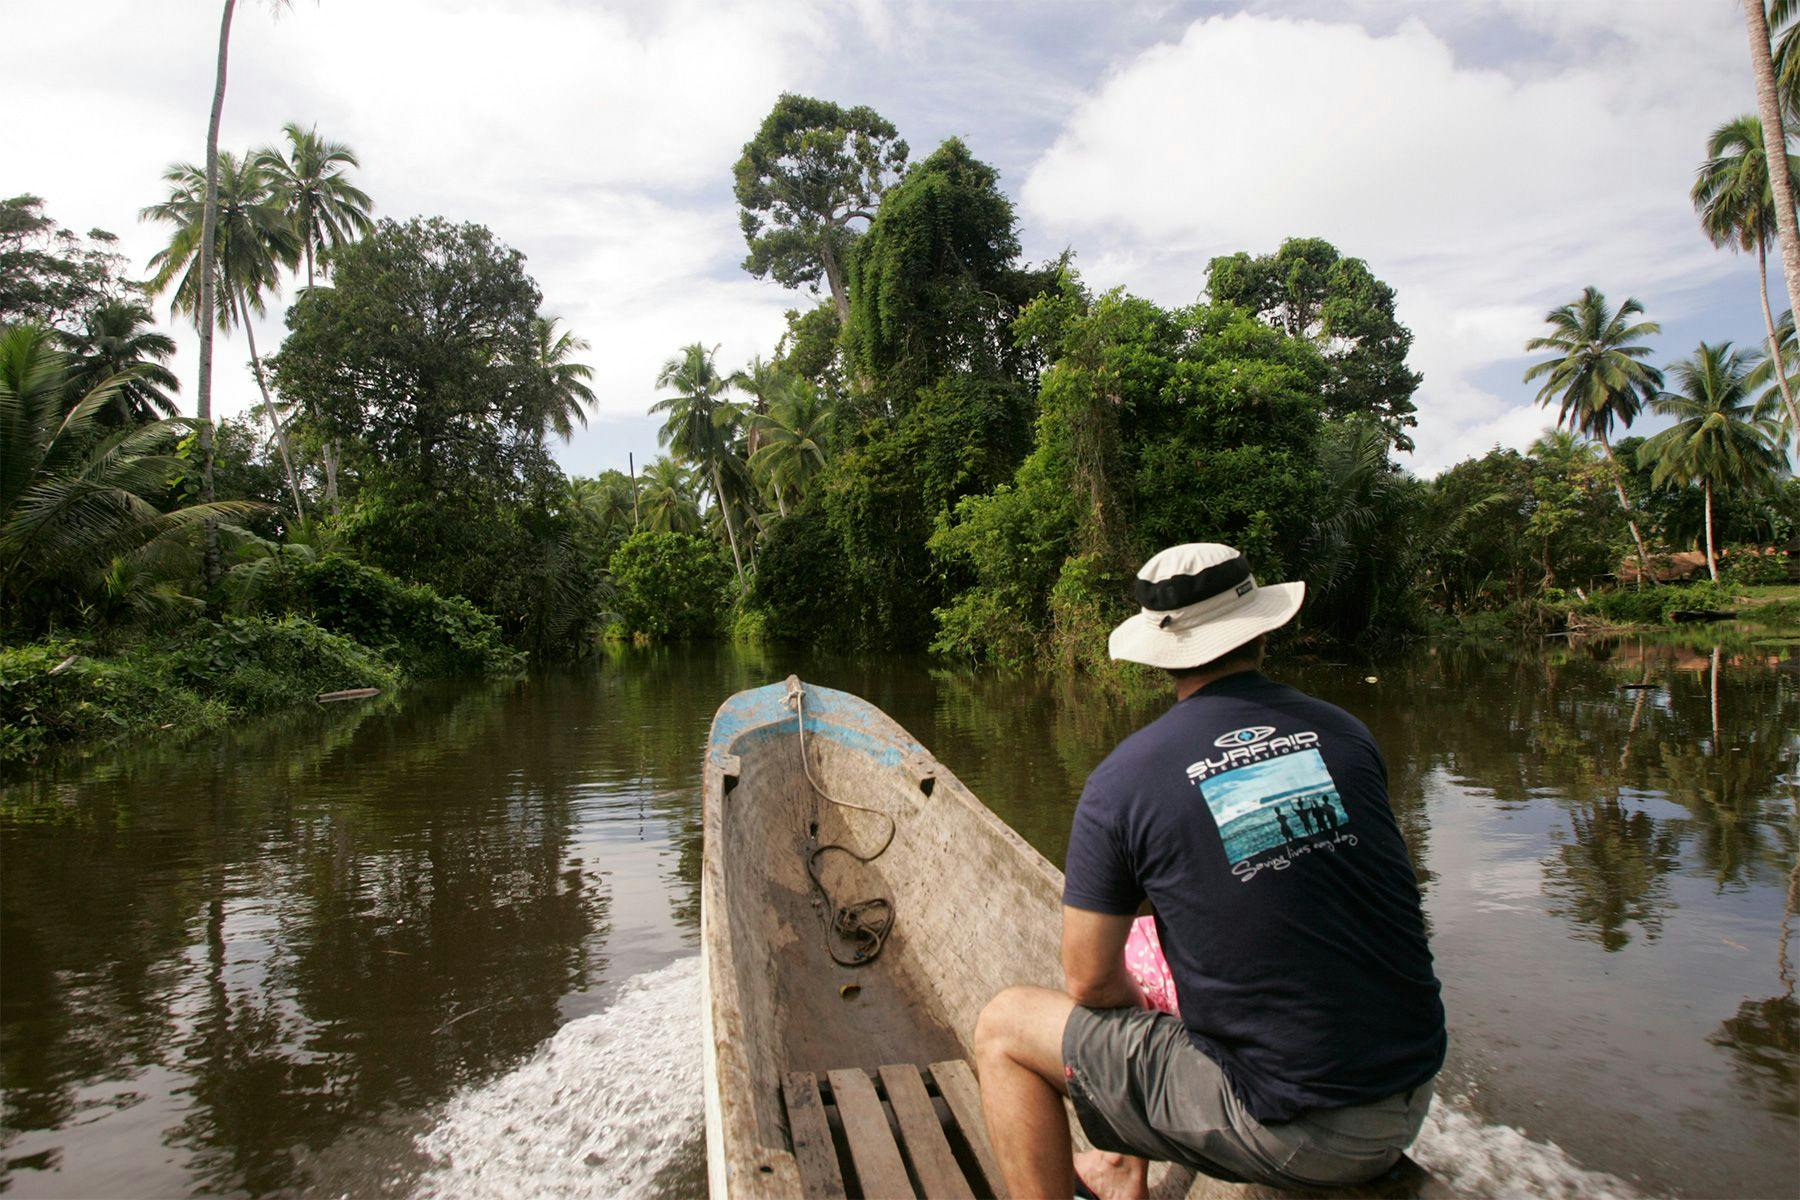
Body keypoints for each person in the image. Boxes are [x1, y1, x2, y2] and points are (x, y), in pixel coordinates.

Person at [973, 542, 1445, 1200]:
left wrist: (1141, 1020)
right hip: (1412, 1089)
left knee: (1003, 1026)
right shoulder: (1346, 733)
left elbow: (1087, 980)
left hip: (1298, 1126)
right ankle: (1120, 1169)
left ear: (1161, 654)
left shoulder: (1125, 781)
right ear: (1259, 629)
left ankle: (1110, 1168)